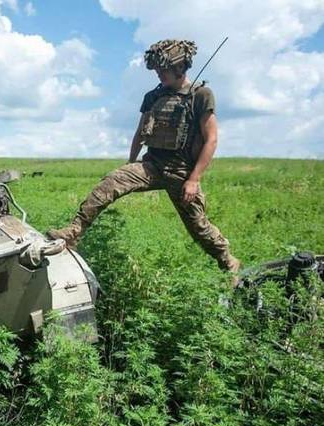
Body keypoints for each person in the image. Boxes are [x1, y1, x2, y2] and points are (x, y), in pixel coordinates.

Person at [47, 39, 241, 273]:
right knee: (109, 183)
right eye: (157, 70)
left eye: (164, 70)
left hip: (182, 173)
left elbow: (211, 139)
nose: (159, 74)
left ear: (180, 67)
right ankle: (73, 232)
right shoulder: (153, 96)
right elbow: (140, 133)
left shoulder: (201, 95)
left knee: (198, 227)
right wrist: (129, 166)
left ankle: (228, 262)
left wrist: (194, 179)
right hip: (152, 166)